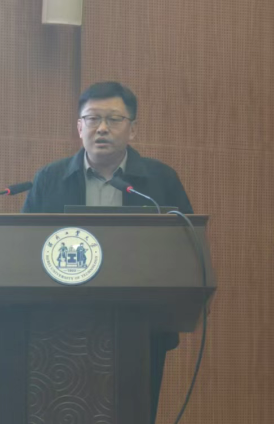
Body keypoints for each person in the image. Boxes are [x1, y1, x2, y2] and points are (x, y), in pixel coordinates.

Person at [22, 81, 194, 423]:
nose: (102, 128)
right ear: (79, 127)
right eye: (93, 118)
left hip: (142, 324)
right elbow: (25, 250)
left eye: (114, 119)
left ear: (133, 129)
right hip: (60, 326)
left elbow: (186, 247)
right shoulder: (49, 180)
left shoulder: (160, 181)